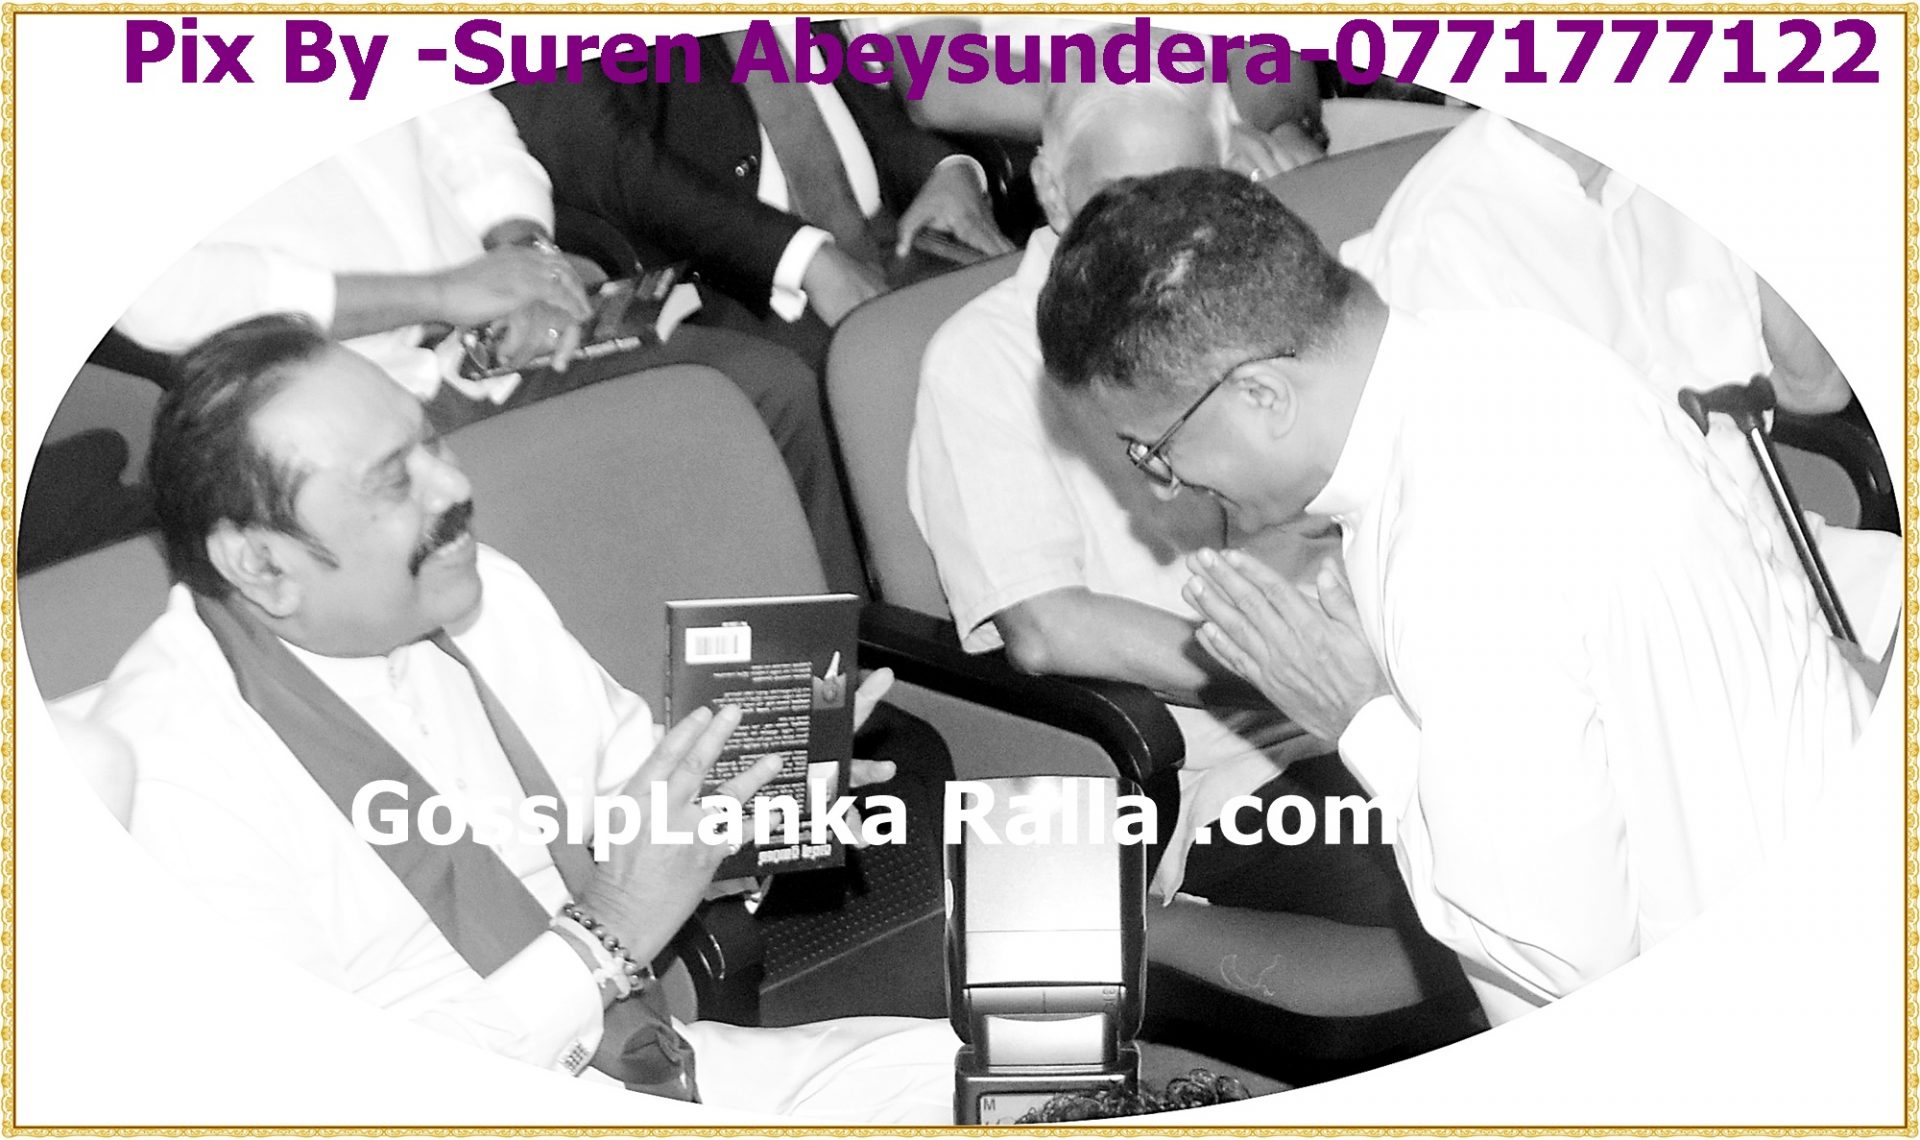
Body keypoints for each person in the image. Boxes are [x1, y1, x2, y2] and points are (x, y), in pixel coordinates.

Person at [1035, 168, 1870, 1024]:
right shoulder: (1510, 351)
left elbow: (1558, 948)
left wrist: (1361, 719)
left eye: (1155, 449)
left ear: (1262, 395)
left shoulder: (1456, 534)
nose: (1167, 486)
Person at [91, 314, 958, 1121]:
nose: (453, 485)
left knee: (989, 1079)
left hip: (646, 1055)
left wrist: (752, 801)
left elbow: (629, 803)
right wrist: (605, 937)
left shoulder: (480, 592)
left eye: (430, 441)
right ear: (261, 565)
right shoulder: (168, 772)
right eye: (393, 480)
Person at [910, 75, 1472, 1026]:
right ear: (1048, 188)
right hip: (1219, 769)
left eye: (1182, 194)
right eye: (1116, 197)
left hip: (1380, 694)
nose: (1152, 240)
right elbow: (1047, 629)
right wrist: (1292, 669)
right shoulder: (984, 359)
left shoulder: (1254, 313)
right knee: (1469, 867)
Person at [113, 92, 866, 595]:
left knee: (763, 389)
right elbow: (164, 297)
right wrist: (440, 292)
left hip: (498, 330)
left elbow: (470, 129)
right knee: (555, 501)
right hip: (338, 392)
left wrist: (524, 253)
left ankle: (832, 703)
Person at [1338, 109, 1900, 669]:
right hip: (1633, 641)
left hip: (1786, 562)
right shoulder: (1439, 246)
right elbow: (1486, 559)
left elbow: (1819, 386)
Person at [497, 22, 1015, 371]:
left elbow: (847, 86)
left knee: (1027, 328)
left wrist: (944, 169)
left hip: (898, 235)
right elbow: (605, 165)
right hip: (733, 282)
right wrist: (801, 258)